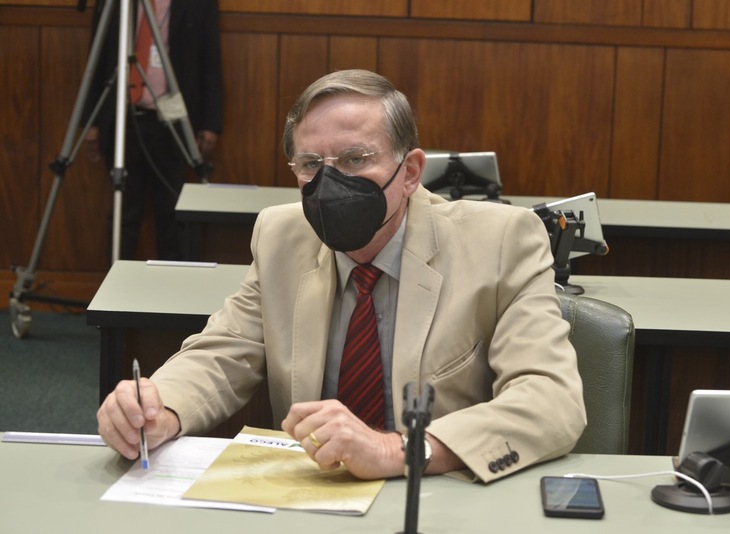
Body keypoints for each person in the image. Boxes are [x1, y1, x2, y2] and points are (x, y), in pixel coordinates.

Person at [97, 69, 586, 482]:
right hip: (312, 495)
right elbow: (224, 353)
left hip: (438, 494)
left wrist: (397, 451)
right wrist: (160, 407)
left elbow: (551, 401)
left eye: (356, 159)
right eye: (311, 164)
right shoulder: (281, 235)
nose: (330, 182)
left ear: (410, 172)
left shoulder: (501, 242)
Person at [83, 0, 223, 260]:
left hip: (173, 121)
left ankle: (173, 284)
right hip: (123, 118)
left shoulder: (199, 3)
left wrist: (210, 123)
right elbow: (98, 55)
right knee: (124, 213)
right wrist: (90, 121)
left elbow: (210, 59)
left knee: (173, 214)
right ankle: (116, 283)